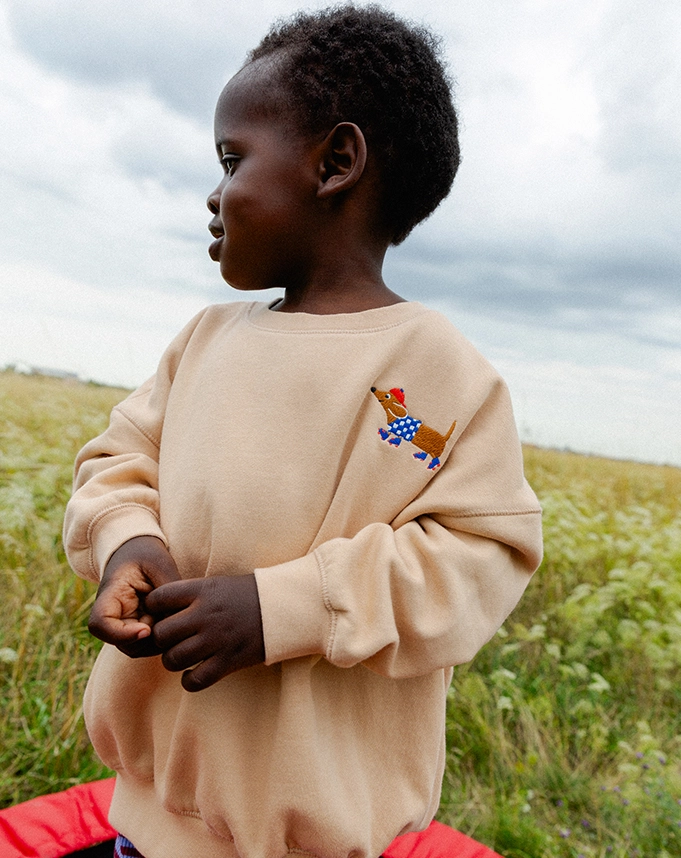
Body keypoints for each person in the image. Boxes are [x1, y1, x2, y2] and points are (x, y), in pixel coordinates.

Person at [63, 6, 543, 858]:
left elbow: (478, 556)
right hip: (147, 824)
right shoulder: (204, 341)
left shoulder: (438, 374)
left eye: (231, 159)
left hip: (314, 837)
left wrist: (280, 610)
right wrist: (123, 542)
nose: (213, 194)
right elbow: (117, 460)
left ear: (336, 163)